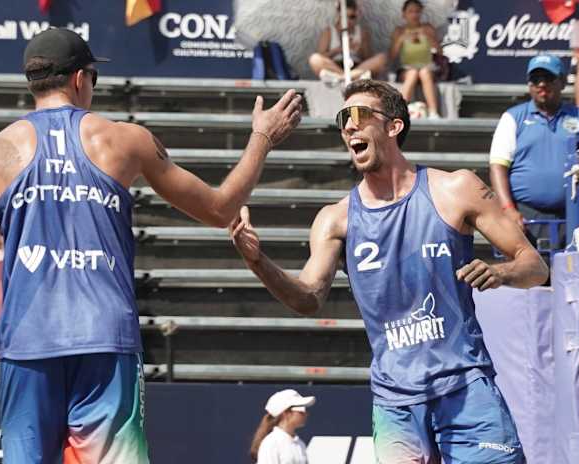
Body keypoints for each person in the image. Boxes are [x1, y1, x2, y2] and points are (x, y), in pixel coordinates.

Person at [0, 28, 302, 463]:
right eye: (94, 76)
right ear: (80, 78)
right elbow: (221, 209)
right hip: (105, 339)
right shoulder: (124, 140)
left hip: (27, 343)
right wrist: (262, 138)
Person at [230, 79, 548, 463]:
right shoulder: (335, 219)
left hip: (465, 387)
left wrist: (502, 273)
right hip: (395, 402)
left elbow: (535, 265)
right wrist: (257, 262)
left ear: (394, 126)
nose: (349, 125)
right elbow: (308, 298)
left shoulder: (456, 188)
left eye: (359, 114)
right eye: (343, 118)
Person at [489, 55, 579, 251]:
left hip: (574, 214)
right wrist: (508, 209)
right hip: (525, 216)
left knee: (573, 270)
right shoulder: (512, 118)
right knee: (530, 271)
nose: (541, 84)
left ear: (563, 82)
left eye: (548, 78)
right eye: (535, 79)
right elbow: (497, 167)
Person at [308, 0, 388, 83]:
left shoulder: (362, 33)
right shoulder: (329, 32)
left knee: (382, 58)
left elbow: (368, 59)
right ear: (339, 14)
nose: (348, 20)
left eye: (352, 17)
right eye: (345, 16)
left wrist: (360, 49)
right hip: (335, 67)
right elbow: (321, 55)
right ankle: (351, 78)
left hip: (357, 67)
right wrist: (339, 49)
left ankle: (341, 78)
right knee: (314, 59)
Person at [389, 0, 441, 119]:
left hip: (427, 67)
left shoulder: (427, 28)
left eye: (417, 11)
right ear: (404, 14)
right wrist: (401, 39)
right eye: (411, 11)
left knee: (424, 72)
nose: (414, 15)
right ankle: (399, 112)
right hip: (407, 68)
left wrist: (428, 37)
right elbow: (391, 56)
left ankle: (433, 112)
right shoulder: (399, 31)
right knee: (413, 72)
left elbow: (440, 52)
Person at [250, 389, 315, 464]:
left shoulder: (300, 444)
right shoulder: (272, 443)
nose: (305, 414)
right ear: (286, 413)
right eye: (300, 410)